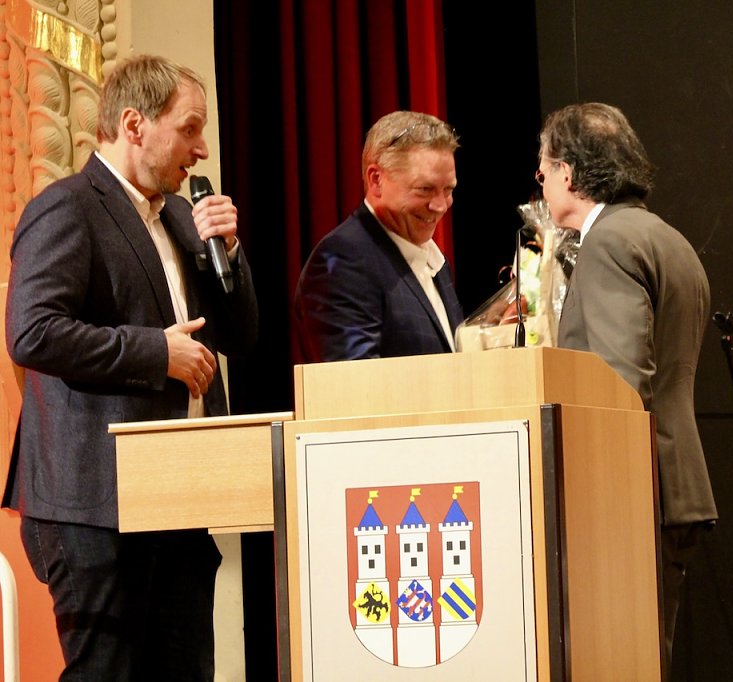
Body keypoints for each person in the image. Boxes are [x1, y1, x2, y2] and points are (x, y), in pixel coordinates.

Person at [2, 54, 259, 680]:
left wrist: (229, 253)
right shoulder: (67, 207)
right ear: (135, 124)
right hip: (93, 503)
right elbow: (32, 332)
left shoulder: (181, 218)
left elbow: (241, 336)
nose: (202, 149)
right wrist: (156, 352)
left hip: (176, 493)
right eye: (190, 129)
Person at [538, 102, 718, 678]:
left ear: (567, 172)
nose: (540, 180)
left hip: (631, 493)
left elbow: (618, 383)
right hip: (670, 481)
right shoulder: (667, 237)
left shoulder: (609, 242)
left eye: (543, 168)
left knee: (621, 662)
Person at [293, 110, 464, 361]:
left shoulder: (432, 257)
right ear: (376, 180)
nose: (440, 205)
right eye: (424, 189)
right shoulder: (343, 263)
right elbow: (356, 380)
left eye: (448, 190)